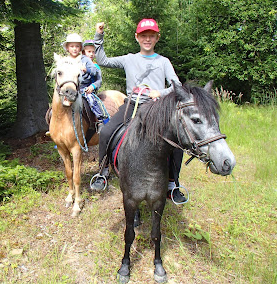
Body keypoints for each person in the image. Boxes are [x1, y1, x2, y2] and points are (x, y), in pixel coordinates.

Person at [90, 19, 187, 203]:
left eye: (151, 35)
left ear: (157, 37)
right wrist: (99, 35)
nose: (147, 39)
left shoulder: (163, 61)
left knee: (177, 143)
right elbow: (102, 60)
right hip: (132, 104)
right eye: (143, 35)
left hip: (157, 108)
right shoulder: (129, 59)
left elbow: (177, 86)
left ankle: (172, 183)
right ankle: (103, 172)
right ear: (137, 37)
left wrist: (161, 92)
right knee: (107, 131)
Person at [63, 34, 108, 129]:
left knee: (91, 100)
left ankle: (100, 119)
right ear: (67, 48)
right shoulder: (66, 61)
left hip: (85, 89)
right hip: (71, 88)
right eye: (72, 46)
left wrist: (87, 70)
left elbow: (96, 74)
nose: (74, 49)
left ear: (80, 49)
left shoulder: (86, 60)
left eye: (77, 46)